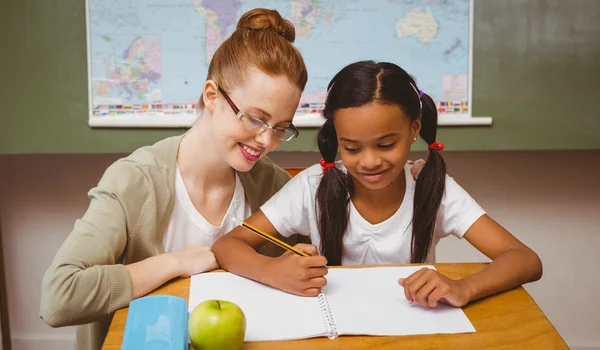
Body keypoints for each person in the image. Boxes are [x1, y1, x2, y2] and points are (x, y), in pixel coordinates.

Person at [40, 8, 311, 350]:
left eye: (281, 128)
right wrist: (175, 263)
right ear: (212, 96)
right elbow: (58, 297)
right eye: (256, 119)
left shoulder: (273, 186)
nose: (266, 141)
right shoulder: (133, 181)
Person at [212, 60, 543, 309]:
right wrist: (273, 271)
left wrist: (464, 287)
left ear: (415, 127)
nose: (369, 162)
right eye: (352, 148)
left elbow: (525, 259)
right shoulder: (313, 186)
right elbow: (227, 246)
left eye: (386, 145)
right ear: (336, 139)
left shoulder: (434, 188)